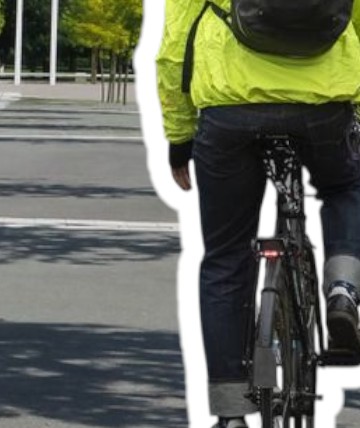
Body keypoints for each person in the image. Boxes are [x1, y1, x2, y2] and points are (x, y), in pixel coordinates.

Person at [158, 1, 360, 427]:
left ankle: (231, 413)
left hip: (230, 108)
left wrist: (179, 135)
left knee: (226, 259)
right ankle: (343, 287)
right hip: (325, 102)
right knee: (345, 187)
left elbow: (175, 48)